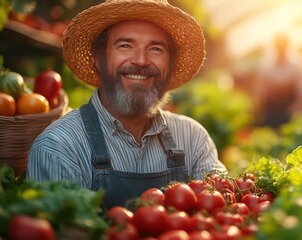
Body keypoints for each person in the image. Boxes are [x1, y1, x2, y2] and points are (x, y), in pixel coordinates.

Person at [27, 0, 227, 209]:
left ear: (170, 65)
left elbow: (221, 211)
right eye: (125, 45)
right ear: (98, 58)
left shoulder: (193, 140)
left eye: (156, 49)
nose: (141, 60)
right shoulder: (59, 147)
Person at [255, 33, 302, 128]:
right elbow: (262, 90)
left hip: (291, 108)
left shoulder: (298, 64)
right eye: (278, 46)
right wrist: (263, 109)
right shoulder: (266, 64)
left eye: (282, 46)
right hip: (272, 110)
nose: (280, 49)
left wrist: (297, 107)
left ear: (287, 46)